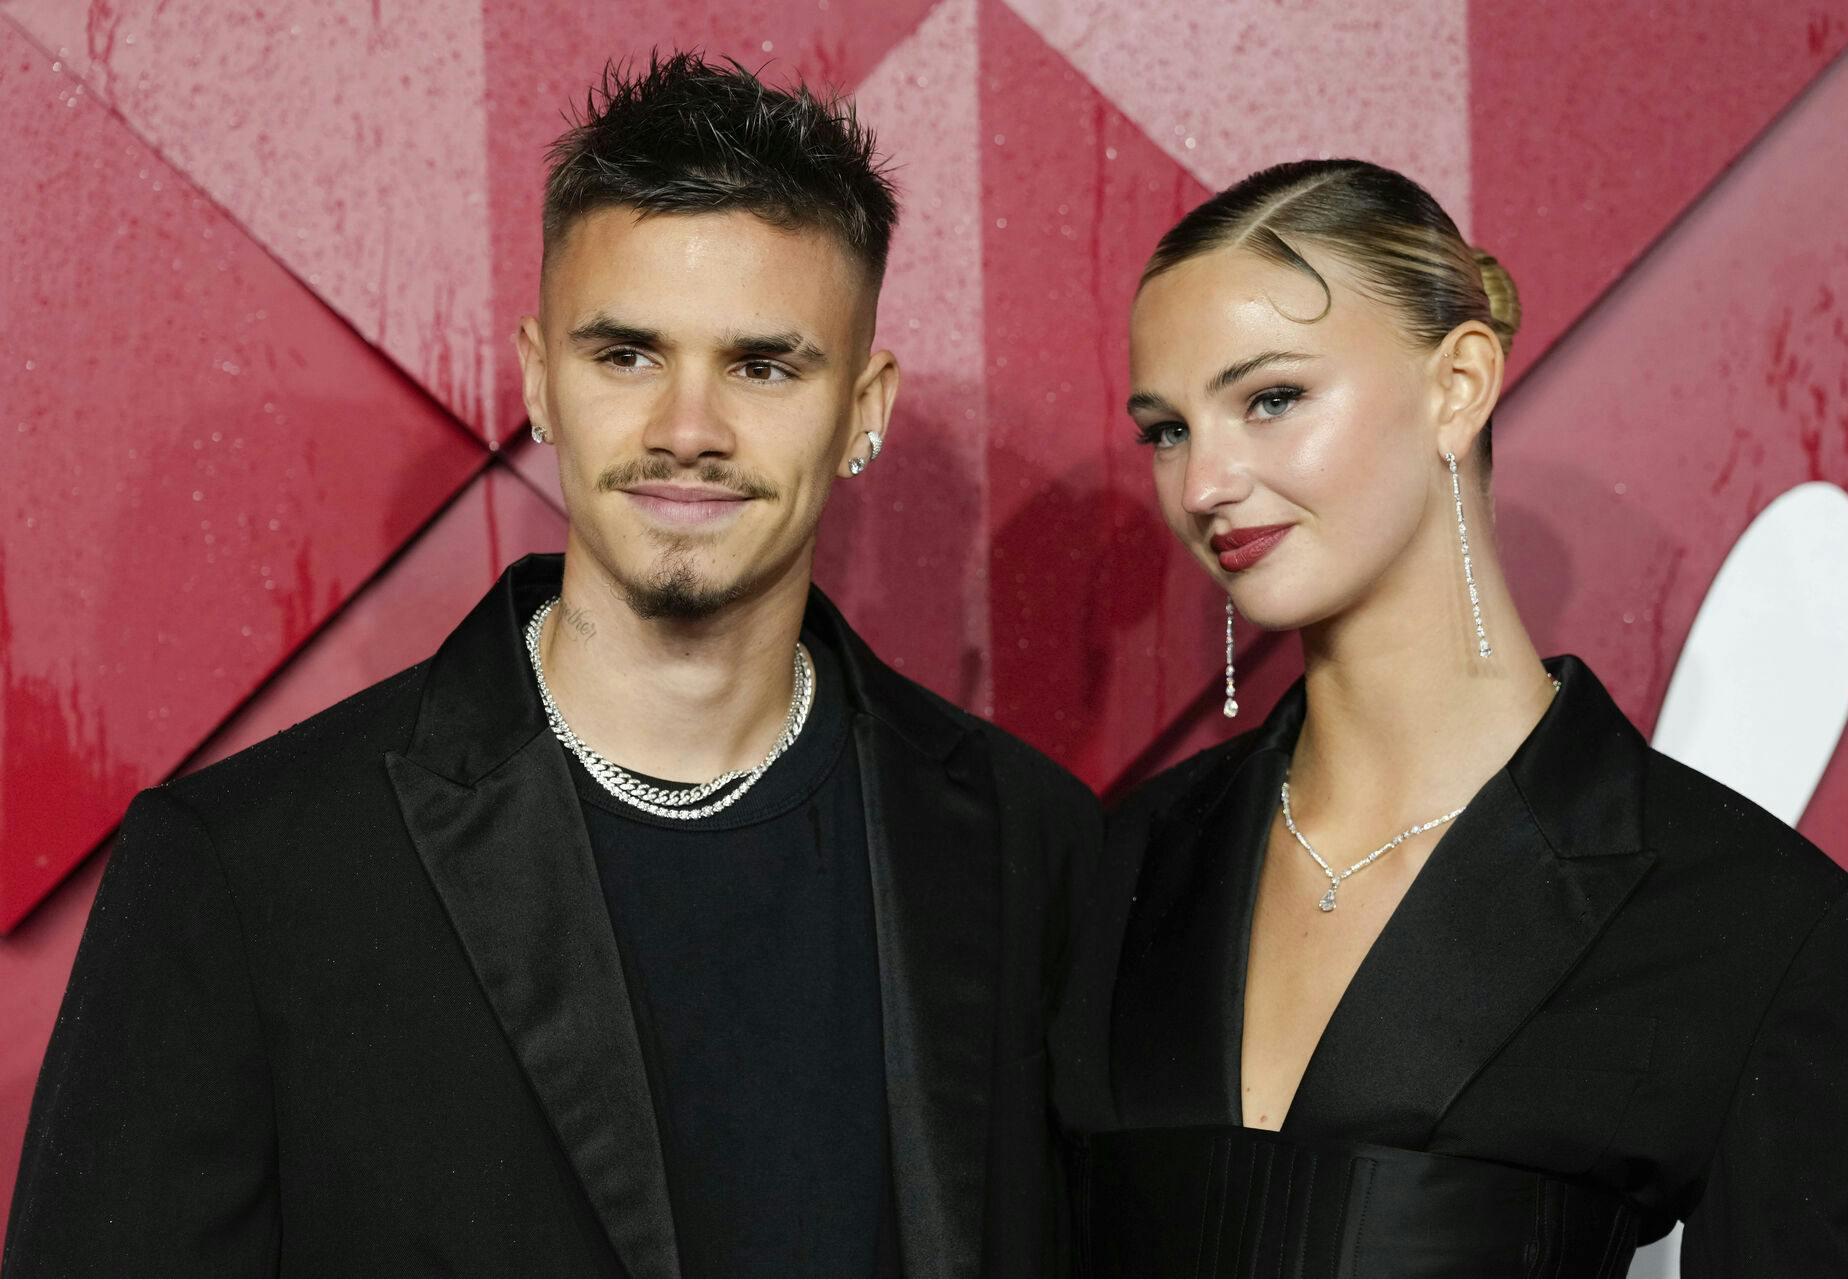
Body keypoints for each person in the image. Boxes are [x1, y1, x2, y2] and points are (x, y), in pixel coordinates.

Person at [5, 53, 1097, 1278]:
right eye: (626, 355)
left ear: (864, 408)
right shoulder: (248, 869)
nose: (689, 430)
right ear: (538, 382)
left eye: (764, 365)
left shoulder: (1030, 847)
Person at [1049, 159, 1848, 1277]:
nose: (1202, 482)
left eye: (1271, 399)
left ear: (1459, 385)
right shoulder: (1121, 860)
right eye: (1166, 429)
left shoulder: (1743, 911)